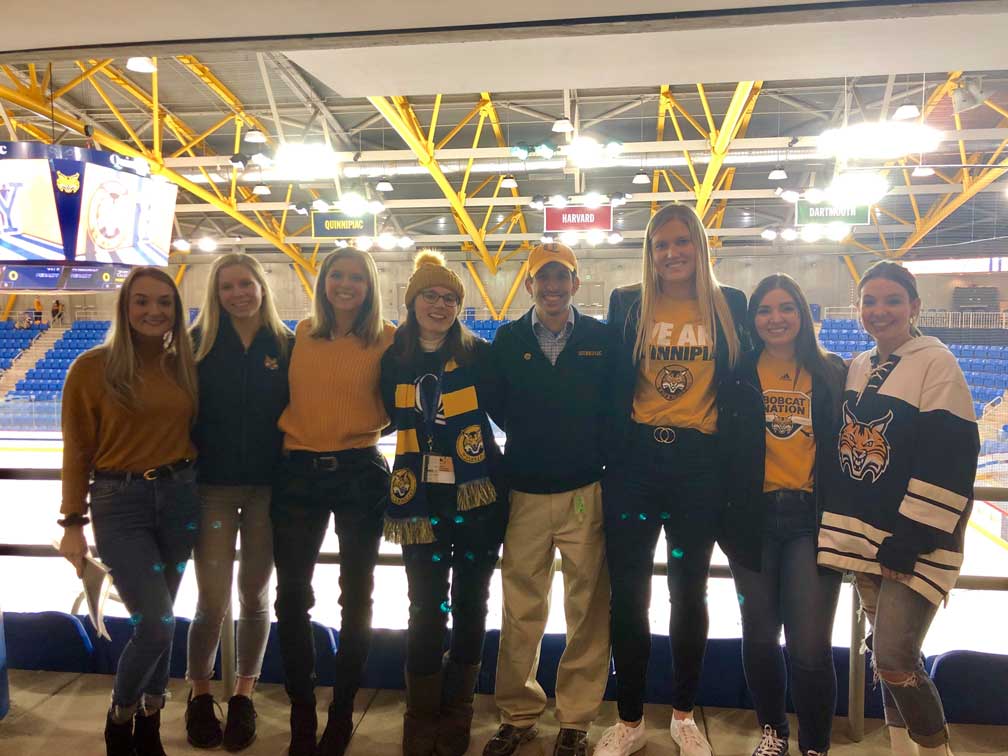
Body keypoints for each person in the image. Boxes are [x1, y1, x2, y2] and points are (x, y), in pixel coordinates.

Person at [596, 202, 749, 756]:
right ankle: (631, 718)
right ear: (649, 252)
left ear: (699, 246)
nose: (672, 252)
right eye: (661, 244)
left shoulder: (729, 304)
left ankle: (684, 713)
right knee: (628, 595)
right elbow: (614, 382)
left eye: (682, 241)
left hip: (698, 467)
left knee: (689, 592)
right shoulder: (628, 303)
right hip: (637, 467)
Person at [818, 261, 979, 756]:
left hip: (914, 541)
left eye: (891, 300)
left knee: (894, 656)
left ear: (914, 306)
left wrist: (911, 535)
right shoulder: (861, 364)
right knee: (883, 654)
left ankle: (935, 751)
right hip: (868, 536)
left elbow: (951, 455)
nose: (879, 310)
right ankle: (900, 748)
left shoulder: (937, 362)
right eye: (869, 301)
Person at [57, 267, 199, 756]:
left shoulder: (184, 364)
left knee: (162, 619)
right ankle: (120, 715)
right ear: (125, 307)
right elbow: (76, 451)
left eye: (164, 302)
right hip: (120, 504)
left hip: (181, 498)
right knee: (157, 622)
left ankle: (151, 721)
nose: (154, 311)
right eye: (142, 301)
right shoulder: (91, 368)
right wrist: (72, 525)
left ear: (177, 311)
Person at [480, 243, 612, 756]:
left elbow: (612, 406)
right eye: (543, 279)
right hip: (526, 494)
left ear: (576, 284)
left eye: (562, 279)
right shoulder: (509, 340)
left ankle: (575, 720)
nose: (553, 288)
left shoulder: (601, 339)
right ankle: (518, 714)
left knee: (588, 610)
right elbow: (497, 405)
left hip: (586, 491)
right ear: (529, 284)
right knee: (521, 610)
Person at [380, 250, 506, 756]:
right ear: (412, 302)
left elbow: (513, 413)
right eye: (430, 296)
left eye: (450, 298)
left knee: (473, 603)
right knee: (425, 608)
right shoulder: (393, 358)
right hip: (420, 501)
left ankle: (458, 711)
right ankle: (421, 714)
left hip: (477, 497)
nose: (440, 305)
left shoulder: (478, 354)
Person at [272, 247, 395, 756]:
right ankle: (302, 711)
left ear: (369, 288)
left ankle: (341, 712)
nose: (345, 285)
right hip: (298, 473)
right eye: (337, 276)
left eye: (356, 279)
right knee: (291, 597)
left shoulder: (389, 340)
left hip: (358, 472)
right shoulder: (298, 335)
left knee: (356, 597)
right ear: (323, 283)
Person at [721, 274, 847, 756]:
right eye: (765, 310)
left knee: (811, 644)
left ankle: (815, 745)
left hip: (809, 523)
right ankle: (773, 731)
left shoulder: (832, 371)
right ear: (753, 319)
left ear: (803, 314)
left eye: (786, 308)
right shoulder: (738, 373)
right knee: (758, 635)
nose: (776, 318)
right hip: (753, 522)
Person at [183, 253, 295, 751]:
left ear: (261, 286)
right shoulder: (196, 344)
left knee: (255, 595)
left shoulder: (288, 345)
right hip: (213, 490)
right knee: (211, 600)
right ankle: (200, 693)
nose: (238, 294)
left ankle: (244, 694)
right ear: (216, 293)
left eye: (245, 284)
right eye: (227, 286)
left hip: (269, 490)